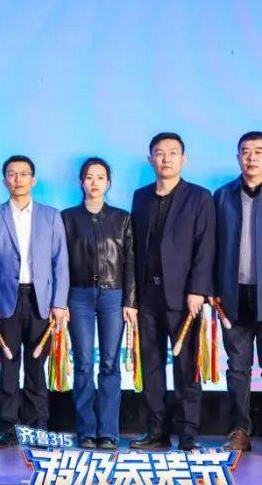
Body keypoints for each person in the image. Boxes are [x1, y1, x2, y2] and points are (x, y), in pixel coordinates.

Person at [129, 133, 215, 452]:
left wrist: (198, 290)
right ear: (150, 159)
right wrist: (132, 298)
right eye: (160, 153)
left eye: (172, 153)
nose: (166, 159)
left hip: (183, 297)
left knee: (186, 367)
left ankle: (188, 434)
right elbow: (134, 249)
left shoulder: (199, 197)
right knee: (151, 366)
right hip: (147, 297)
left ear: (183, 159)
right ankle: (156, 431)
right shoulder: (140, 197)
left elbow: (205, 247)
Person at [0, 155, 69, 449]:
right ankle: (8, 429)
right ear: (4, 180)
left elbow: (60, 263)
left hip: (41, 301)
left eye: (23, 174)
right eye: (12, 174)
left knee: (36, 366)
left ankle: (38, 427)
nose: (18, 179)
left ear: (34, 180)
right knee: (8, 366)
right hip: (6, 300)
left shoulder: (51, 216)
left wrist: (59, 303)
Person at [61, 157, 135, 450]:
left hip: (113, 295)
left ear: (109, 183)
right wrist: (60, 301)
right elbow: (60, 263)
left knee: (109, 363)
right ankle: (86, 431)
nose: (95, 182)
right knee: (83, 363)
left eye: (100, 177)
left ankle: (109, 432)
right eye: (89, 177)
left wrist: (130, 300)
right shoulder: (67, 218)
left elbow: (130, 262)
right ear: (81, 182)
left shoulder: (122, 218)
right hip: (78, 296)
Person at [217, 131, 262, 451]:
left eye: (258, 151)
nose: (252, 157)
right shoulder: (222, 197)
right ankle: (240, 431)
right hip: (233, 295)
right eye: (245, 151)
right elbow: (209, 247)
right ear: (237, 158)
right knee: (237, 368)